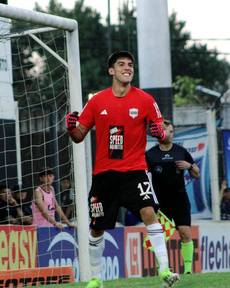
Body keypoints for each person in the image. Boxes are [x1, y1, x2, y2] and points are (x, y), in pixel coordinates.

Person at [65, 50, 180, 288]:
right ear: (111, 70)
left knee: (149, 212)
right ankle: (97, 278)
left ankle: (165, 270)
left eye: (130, 65)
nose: (127, 68)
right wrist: (70, 129)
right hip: (104, 175)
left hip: (134, 171)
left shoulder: (146, 100)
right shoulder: (97, 101)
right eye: (121, 64)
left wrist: (159, 134)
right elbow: (79, 137)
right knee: (97, 228)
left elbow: (161, 135)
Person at [145, 119, 200, 274]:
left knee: (185, 233)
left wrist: (189, 166)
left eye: (171, 131)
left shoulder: (180, 151)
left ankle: (188, 270)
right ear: (158, 134)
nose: (169, 134)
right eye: (166, 131)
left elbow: (196, 174)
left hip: (180, 200)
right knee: (160, 237)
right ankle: (163, 269)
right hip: (160, 203)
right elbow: (141, 176)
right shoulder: (151, 155)